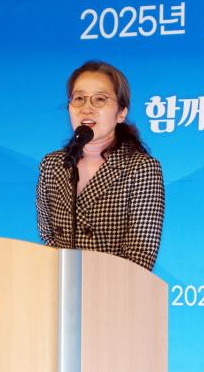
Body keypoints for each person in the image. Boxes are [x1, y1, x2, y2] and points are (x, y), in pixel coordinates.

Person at [36, 61, 165, 271]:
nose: (86, 108)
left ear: (121, 113)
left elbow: (141, 254)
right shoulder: (53, 165)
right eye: (79, 98)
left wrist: (93, 283)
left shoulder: (141, 168)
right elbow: (48, 234)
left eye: (100, 99)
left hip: (118, 287)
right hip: (63, 286)